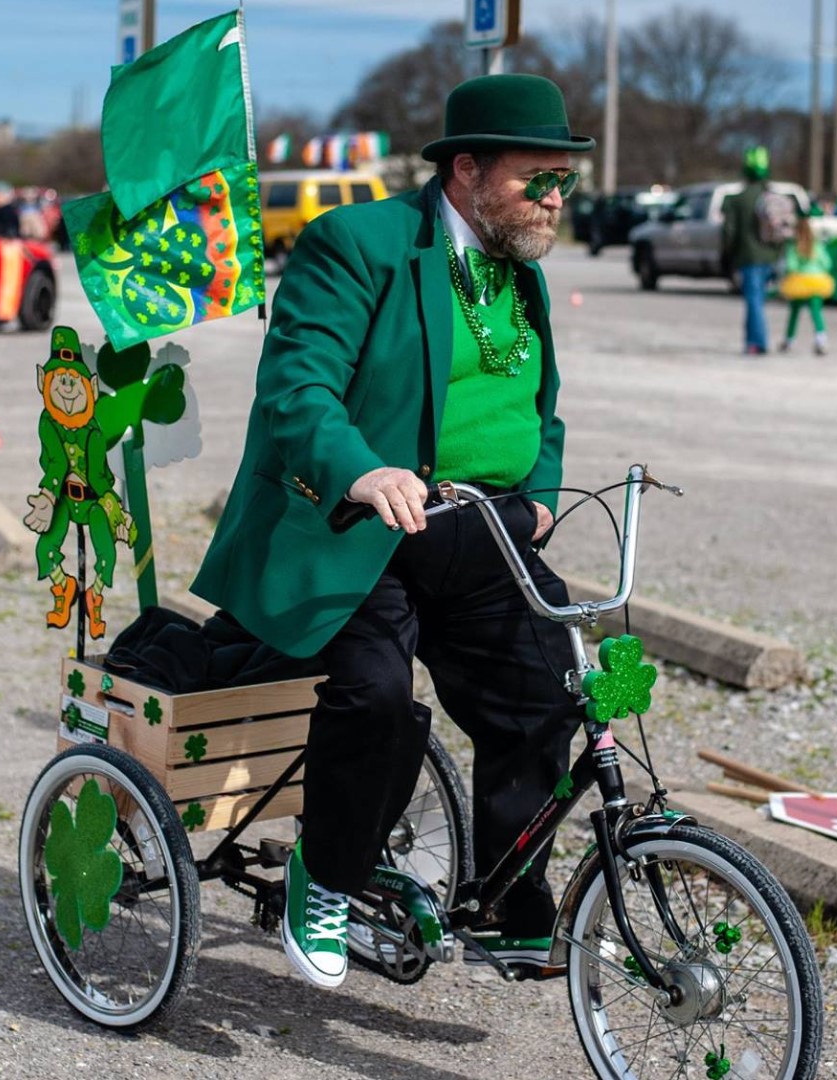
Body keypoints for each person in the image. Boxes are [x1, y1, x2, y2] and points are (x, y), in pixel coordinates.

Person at [192, 73, 592, 989]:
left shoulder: (516, 271)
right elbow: (298, 389)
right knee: (373, 693)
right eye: (539, 178)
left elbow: (540, 408)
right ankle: (323, 875)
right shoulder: (357, 244)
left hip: (481, 528)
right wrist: (363, 470)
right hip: (359, 526)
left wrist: (538, 493)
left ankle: (502, 898)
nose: (556, 197)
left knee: (548, 687)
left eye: (563, 179)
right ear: (465, 170)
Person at [721, 146, 788, 355]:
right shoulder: (772, 197)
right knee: (758, 300)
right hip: (772, 256)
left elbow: (728, 233)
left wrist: (727, 255)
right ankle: (755, 340)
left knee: (753, 301)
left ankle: (756, 342)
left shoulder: (737, 200)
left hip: (749, 257)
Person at [779, 206, 834, 356]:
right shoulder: (817, 245)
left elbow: (791, 265)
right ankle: (821, 339)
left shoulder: (794, 246)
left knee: (794, 313)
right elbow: (827, 263)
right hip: (817, 281)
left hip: (799, 282)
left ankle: (789, 340)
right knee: (816, 313)